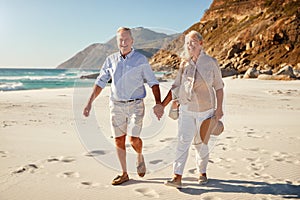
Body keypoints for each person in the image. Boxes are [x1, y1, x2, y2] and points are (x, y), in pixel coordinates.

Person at [83, 27, 163, 185]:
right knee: (119, 141)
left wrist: (158, 103)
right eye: (121, 39)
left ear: (132, 41)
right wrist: (89, 102)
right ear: (117, 41)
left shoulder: (140, 60)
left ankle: (139, 155)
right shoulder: (110, 60)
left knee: (133, 139)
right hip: (116, 106)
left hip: (136, 105)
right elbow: (100, 82)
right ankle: (124, 173)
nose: (124, 42)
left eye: (127, 39)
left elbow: (153, 83)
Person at [161, 30, 224, 188]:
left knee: (201, 144)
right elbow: (176, 86)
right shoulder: (184, 63)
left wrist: (219, 109)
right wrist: (163, 104)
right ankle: (177, 177)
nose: (190, 45)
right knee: (182, 142)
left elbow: (219, 87)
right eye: (187, 43)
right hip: (186, 109)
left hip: (206, 110)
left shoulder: (211, 62)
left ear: (201, 43)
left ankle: (202, 172)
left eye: (193, 42)